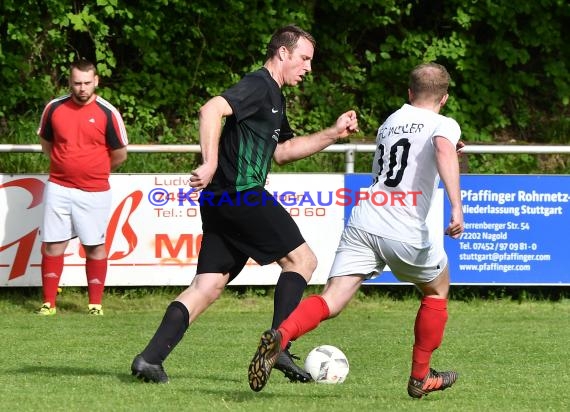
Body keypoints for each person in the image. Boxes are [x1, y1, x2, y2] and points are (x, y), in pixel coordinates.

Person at [130, 25, 359, 384]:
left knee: (207, 286)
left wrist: (332, 133)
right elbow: (211, 110)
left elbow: (283, 152)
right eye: (305, 58)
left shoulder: (276, 98)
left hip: (221, 200)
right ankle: (279, 344)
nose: (308, 68)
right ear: (283, 53)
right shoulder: (259, 84)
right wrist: (208, 161)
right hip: (241, 193)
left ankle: (149, 359)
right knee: (303, 260)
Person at [248, 62, 464, 399]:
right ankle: (421, 377)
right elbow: (439, 148)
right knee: (436, 290)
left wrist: (447, 149)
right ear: (445, 98)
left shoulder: (390, 122)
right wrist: (457, 206)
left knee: (332, 299)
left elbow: (416, 153)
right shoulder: (444, 124)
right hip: (403, 226)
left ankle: (282, 336)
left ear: (409, 93)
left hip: (364, 220)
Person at [35, 59, 128, 316]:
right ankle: (48, 303)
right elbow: (47, 143)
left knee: (94, 246)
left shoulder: (108, 112)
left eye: (87, 83)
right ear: (69, 82)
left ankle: (95, 304)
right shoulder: (53, 108)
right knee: (53, 244)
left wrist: (94, 171)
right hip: (59, 187)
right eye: (77, 83)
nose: (82, 88)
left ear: (96, 81)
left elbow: (120, 154)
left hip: (95, 191)